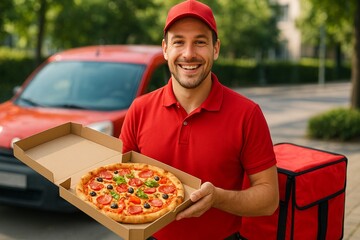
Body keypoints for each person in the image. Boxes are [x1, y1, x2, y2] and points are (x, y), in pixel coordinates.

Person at [120, 0, 279, 239]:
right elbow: (118, 179)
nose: (189, 54)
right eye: (179, 42)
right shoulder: (140, 109)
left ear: (216, 48)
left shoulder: (247, 114)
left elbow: (269, 199)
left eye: (200, 42)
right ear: (165, 49)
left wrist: (218, 198)